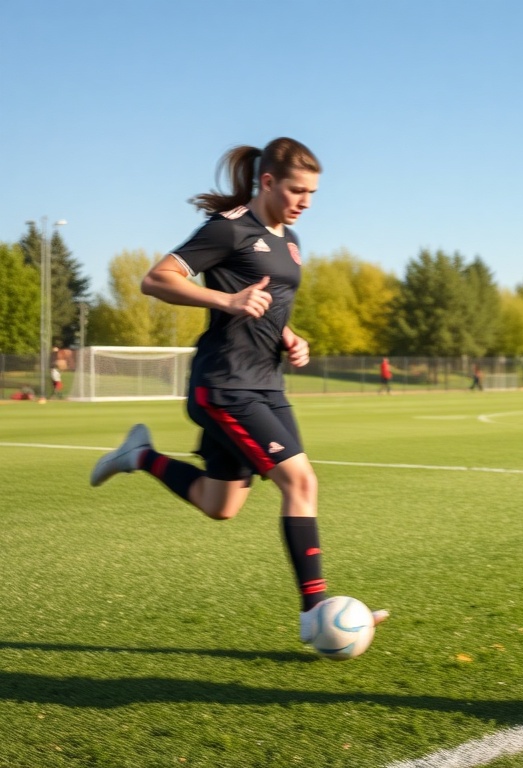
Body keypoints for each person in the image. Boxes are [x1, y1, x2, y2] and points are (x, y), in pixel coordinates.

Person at [89, 137, 387, 645]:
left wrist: (289, 335)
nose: (306, 202)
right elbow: (155, 280)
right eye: (297, 190)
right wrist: (227, 300)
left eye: (313, 193)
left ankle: (140, 456)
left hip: (266, 383)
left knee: (218, 503)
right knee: (302, 483)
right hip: (224, 384)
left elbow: (269, 304)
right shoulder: (228, 229)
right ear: (267, 181)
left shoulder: (290, 239)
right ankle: (316, 613)